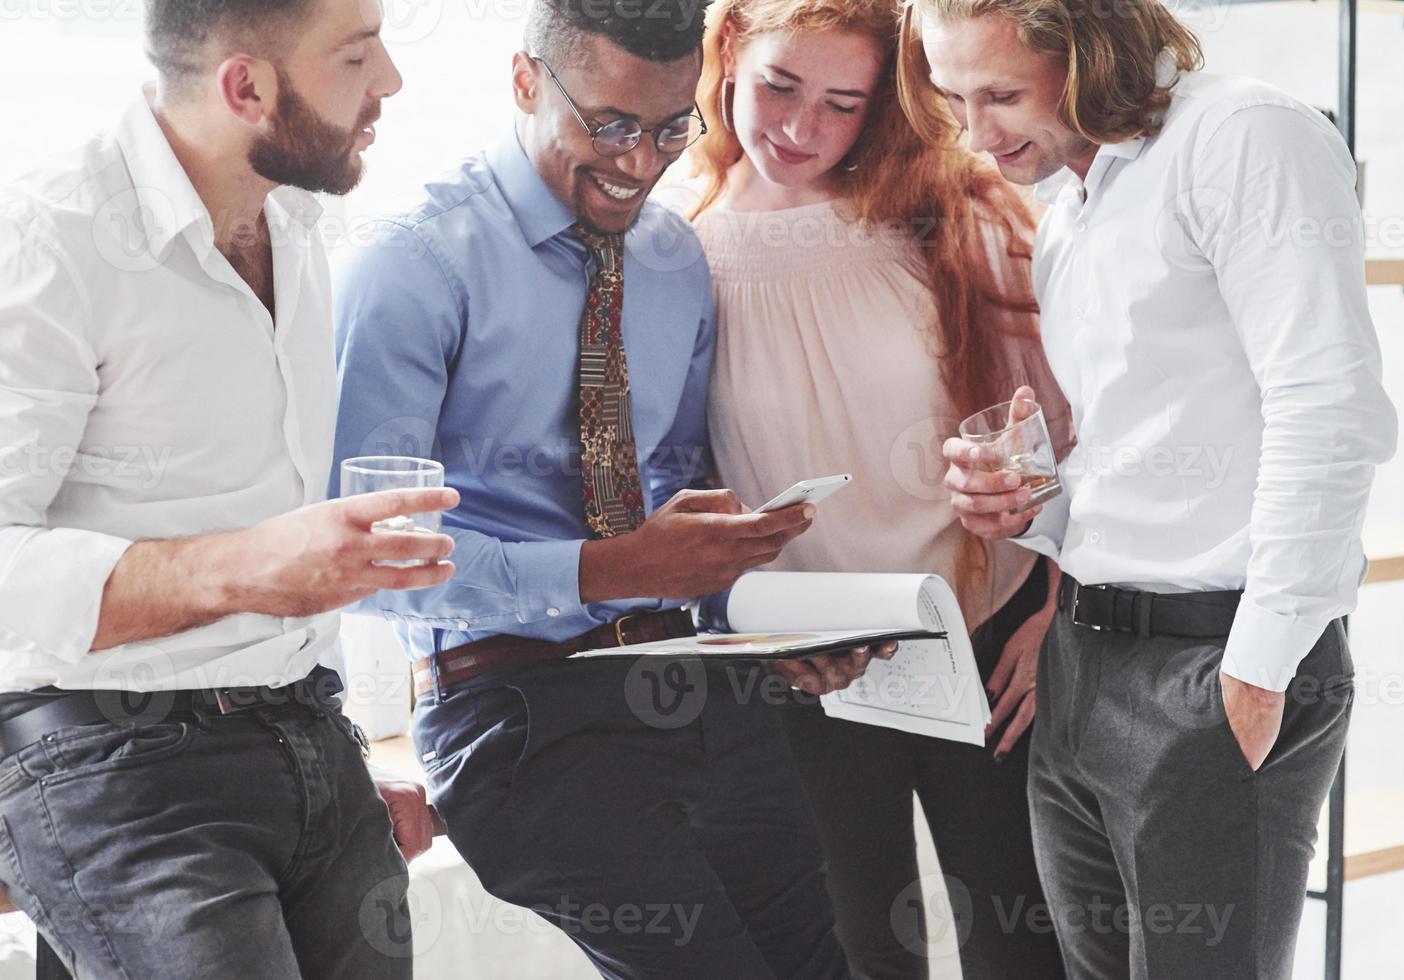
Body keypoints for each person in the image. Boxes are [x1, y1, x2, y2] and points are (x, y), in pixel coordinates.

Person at [329, 1, 876, 976]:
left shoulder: (674, 260)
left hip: (702, 684)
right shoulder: (410, 265)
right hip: (519, 713)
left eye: (673, 127)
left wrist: (769, 609)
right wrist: (603, 569)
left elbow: (674, 483)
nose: (641, 161)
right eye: (612, 124)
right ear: (525, 82)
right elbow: (368, 559)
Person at [900, 0, 1398, 976]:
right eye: (953, 95)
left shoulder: (1244, 136)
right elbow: (1144, 448)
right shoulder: (1069, 212)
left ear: (1088, 52)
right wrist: (1032, 503)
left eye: (1001, 93)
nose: (975, 131)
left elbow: (1326, 406)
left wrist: (1254, 675)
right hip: (1083, 664)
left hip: (1214, 662)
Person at [0, 0, 459, 977]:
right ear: (246, 87)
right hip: (110, 757)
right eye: (354, 53)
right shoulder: (49, 236)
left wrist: (330, 762)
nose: (390, 80)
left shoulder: (295, 213)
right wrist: (248, 569)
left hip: (306, 733)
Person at [685, 0, 1070, 976]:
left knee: (1023, 943)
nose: (800, 129)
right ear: (729, 48)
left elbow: (1072, 432)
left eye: (841, 103)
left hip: (987, 641)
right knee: (859, 952)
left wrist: (1058, 605)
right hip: (810, 667)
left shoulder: (953, 213)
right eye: (779, 86)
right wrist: (746, 631)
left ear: (884, 102)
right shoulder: (672, 248)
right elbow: (670, 483)